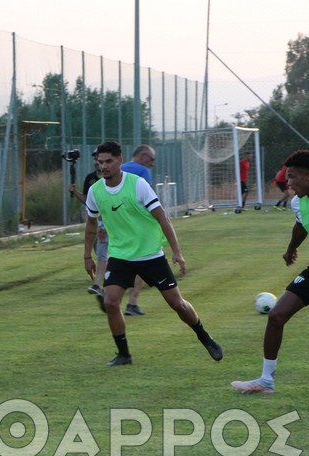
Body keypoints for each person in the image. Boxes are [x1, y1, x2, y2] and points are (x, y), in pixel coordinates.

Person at [84, 141, 223, 366]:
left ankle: (204, 336)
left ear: (119, 161)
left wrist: (177, 252)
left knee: (177, 304)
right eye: (100, 162)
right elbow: (91, 224)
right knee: (110, 302)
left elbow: (162, 218)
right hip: (120, 257)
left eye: (109, 161)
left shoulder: (137, 185)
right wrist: (87, 257)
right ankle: (124, 354)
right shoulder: (95, 191)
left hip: (150, 256)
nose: (104, 166)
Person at [232, 150, 309, 394]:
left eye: (292, 177)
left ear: (308, 176)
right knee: (276, 316)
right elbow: (301, 225)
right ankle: (266, 381)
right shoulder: (298, 202)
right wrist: (291, 249)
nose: (287, 183)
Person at [119, 144, 157, 316]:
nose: (152, 163)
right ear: (142, 156)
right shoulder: (142, 172)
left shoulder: (118, 169)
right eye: (151, 159)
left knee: (120, 262)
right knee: (141, 265)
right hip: (136, 226)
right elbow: (147, 201)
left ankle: (108, 294)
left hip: (116, 225)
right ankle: (132, 303)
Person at [68, 149, 107, 310]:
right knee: (103, 255)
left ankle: (102, 287)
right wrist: (74, 192)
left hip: (115, 225)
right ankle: (102, 287)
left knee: (109, 256)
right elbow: (87, 201)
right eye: (96, 158)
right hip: (98, 224)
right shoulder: (90, 180)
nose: (98, 161)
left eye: (100, 158)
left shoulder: (115, 179)